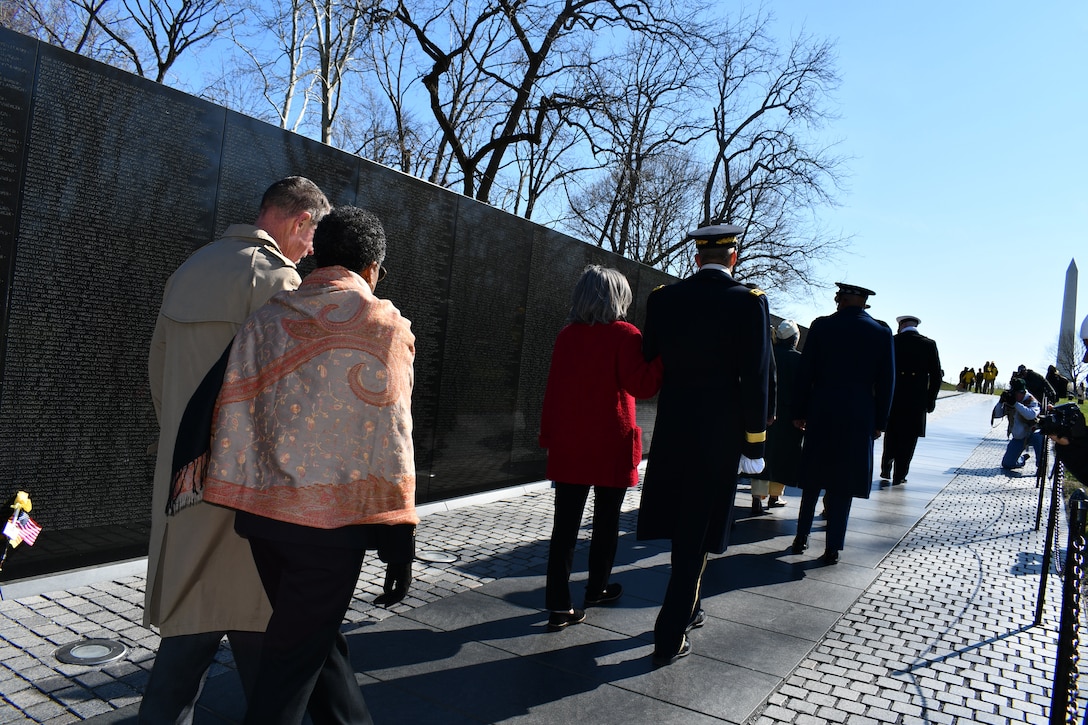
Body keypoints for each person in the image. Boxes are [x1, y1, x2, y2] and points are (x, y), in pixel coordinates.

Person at [201, 206, 417, 725]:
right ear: (371, 268)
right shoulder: (385, 326)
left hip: (261, 520)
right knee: (291, 669)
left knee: (316, 642)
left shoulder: (267, 318)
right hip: (331, 528)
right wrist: (399, 532)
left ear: (318, 255)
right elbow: (392, 432)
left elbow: (236, 410)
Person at [141, 176, 331, 723]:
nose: (312, 248)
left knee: (186, 644)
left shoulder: (189, 270)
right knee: (267, 654)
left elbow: (159, 377)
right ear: (299, 223)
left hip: (187, 489)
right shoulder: (280, 282)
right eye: (311, 235)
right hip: (249, 499)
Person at [636, 223, 771, 666]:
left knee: (681, 525)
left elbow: (651, 359)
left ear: (696, 258)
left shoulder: (662, 298)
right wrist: (754, 443)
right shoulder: (748, 302)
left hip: (673, 428)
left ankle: (688, 609)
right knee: (696, 532)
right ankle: (670, 633)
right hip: (719, 433)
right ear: (733, 257)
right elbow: (755, 379)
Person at [538, 266, 663, 631]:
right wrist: (663, 357)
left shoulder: (567, 336)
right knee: (606, 523)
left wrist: (549, 438)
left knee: (565, 527)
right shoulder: (626, 335)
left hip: (570, 442)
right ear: (617, 297)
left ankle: (560, 605)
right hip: (610, 440)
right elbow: (642, 385)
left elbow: (554, 392)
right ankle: (596, 587)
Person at [791, 283, 894, 565]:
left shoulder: (822, 327)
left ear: (844, 299)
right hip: (859, 414)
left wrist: (799, 411)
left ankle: (801, 536)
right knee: (843, 483)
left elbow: (806, 372)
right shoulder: (882, 332)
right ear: (863, 303)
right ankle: (833, 546)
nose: (837, 302)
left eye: (839, 298)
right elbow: (887, 382)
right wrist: (880, 421)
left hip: (822, 408)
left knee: (814, 476)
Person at [879, 315, 942, 486]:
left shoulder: (893, 341)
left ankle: (886, 466)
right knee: (909, 438)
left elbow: (882, 370)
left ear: (902, 325)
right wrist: (931, 400)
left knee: (891, 434)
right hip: (916, 400)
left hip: (894, 397)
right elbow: (936, 376)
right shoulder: (929, 344)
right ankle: (900, 474)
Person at [750, 319, 804, 514]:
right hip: (790, 416)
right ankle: (775, 496)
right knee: (783, 456)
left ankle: (756, 496)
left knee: (762, 452)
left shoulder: (766, 355)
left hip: (764, 413)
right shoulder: (799, 360)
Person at [995, 377, 1043, 474]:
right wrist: (1001, 402)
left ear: (1022, 392)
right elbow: (997, 414)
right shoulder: (1011, 400)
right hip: (1019, 437)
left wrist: (1016, 404)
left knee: (1039, 437)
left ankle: (1041, 466)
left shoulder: (1031, 400)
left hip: (1032, 433)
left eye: (1018, 393)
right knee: (1007, 464)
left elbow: (1031, 415)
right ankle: (1021, 460)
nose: (1015, 395)